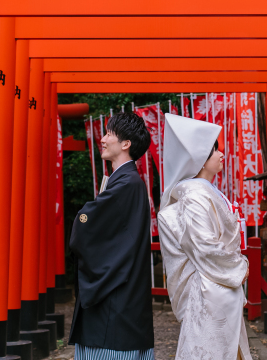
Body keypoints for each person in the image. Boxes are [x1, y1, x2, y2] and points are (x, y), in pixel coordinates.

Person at [158, 113, 252, 360]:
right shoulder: (196, 195)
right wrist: (239, 266)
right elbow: (204, 246)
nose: (221, 155)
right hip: (210, 289)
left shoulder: (201, 192)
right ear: (199, 159)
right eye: (214, 151)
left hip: (216, 287)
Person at [68, 111, 155, 360]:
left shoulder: (126, 184)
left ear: (126, 144)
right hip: (124, 296)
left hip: (115, 302)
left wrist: (82, 215)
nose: (103, 139)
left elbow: (86, 225)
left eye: (109, 134)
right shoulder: (128, 182)